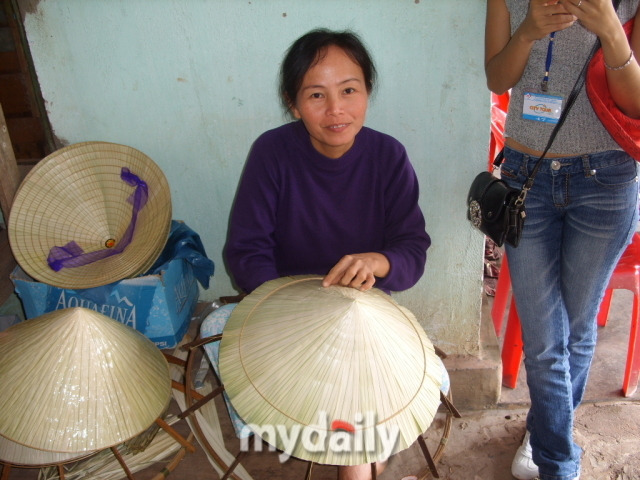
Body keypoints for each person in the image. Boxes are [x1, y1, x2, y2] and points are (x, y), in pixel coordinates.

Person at [218, 28, 435, 480]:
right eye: (317, 95)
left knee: (354, 390)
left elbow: (412, 249)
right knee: (230, 342)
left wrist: (378, 262)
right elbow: (246, 250)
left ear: (367, 93)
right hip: (282, 308)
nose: (336, 109)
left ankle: (355, 455)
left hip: (361, 311)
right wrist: (292, 305)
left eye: (349, 90)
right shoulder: (271, 154)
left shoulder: (389, 157)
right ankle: (360, 455)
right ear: (294, 104)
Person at [485, 1, 640, 479]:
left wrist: (612, 33)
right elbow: (497, 78)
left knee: (575, 328)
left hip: (606, 180)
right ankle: (558, 460)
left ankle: (546, 429)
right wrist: (528, 31)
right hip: (527, 176)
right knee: (546, 338)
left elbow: (635, 104)